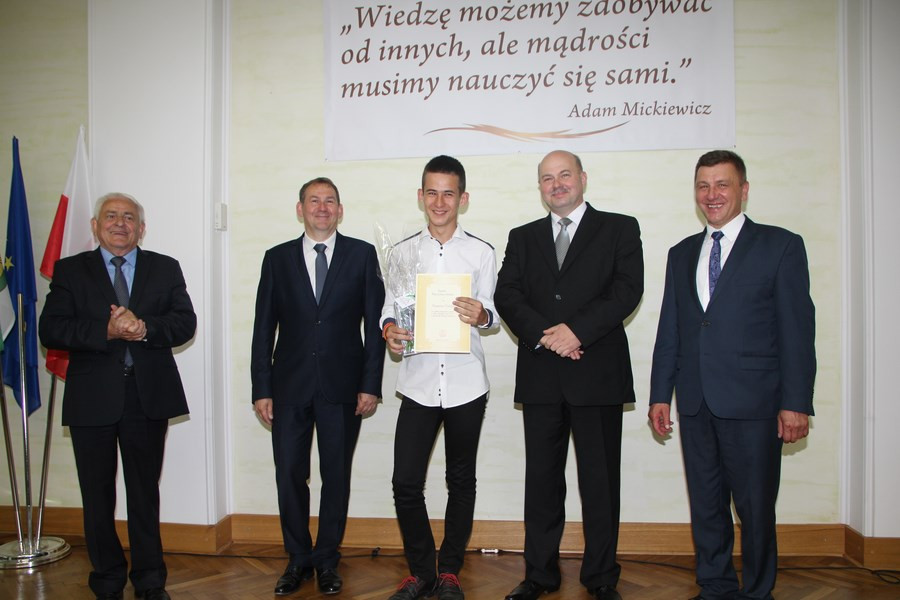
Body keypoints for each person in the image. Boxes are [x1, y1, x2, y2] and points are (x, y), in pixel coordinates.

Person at [648, 150, 816, 600]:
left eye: (722, 184)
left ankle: (758, 592)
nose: (712, 194)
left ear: (744, 190)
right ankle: (716, 587)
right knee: (706, 506)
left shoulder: (780, 245)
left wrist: (796, 402)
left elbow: (797, 331)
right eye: (703, 185)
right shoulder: (681, 253)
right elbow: (671, 328)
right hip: (696, 400)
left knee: (755, 508)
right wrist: (660, 394)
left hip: (755, 402)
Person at [494, 150, 643, 600]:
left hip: (597, 374)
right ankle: (539, 575)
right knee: (542, 483)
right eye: (547, 178)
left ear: (583, 178)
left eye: (564, 175)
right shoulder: (522, 237)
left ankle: (601, 577)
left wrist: (576, 332)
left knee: (600, 484)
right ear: (539, 187)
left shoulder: (619, 228)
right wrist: (549, 335)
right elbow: (507, 294)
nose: (556, 184)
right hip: (541, 374)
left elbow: (627, 290)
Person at [39, 193, 196, 600]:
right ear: (96, 226)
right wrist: (105, 331)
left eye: (129, 217)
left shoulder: (165, 267)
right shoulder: (71, 270)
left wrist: (144, 328)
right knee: (97, 496)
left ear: (142, 228)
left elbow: (184, 323)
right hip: (92, 398)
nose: (120, 223)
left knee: (144, 493)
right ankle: (107, 580)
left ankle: (150, 581)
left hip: (147, 396)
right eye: (111, 216)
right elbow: (51, 329)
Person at [250, 177, 385, 596]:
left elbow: (376, 325)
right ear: (300, 209)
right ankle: (297, 559)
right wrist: (261, 388)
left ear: (340, 210)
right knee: (289, 475)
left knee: (336, 476)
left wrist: (370, 384)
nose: (322, 208)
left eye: (330, 201)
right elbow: (262, 328)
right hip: (288, 388)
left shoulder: (362, 255)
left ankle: (327, 560)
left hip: (344, 388)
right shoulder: (276, 259)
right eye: (314, 201)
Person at [381, 155, 498, 600]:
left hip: (467, 383)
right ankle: (421, 572)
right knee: (405, 482)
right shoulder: (401, 253)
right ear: (420, 196)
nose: (440, 201)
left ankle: (449, 572)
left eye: (449, 193)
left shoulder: (482, 252)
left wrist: (482, 314)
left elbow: (493, 313)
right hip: (418, 383)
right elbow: (389, 309)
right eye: (432, 192)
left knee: (460, 481)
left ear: (463, 199)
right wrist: (390, 330)